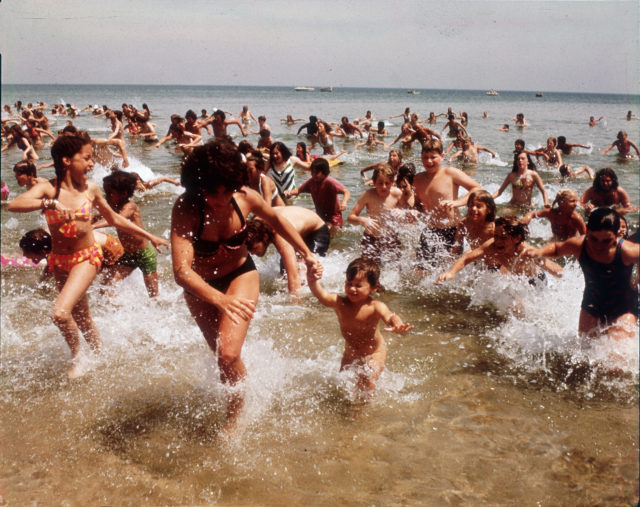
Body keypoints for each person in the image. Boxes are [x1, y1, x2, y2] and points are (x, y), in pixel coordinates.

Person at [170, 139, 321, 435]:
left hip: (240, 274)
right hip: (199, 287)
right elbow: (181, 272)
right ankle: (241, 390)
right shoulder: (187, 207)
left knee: (227, 355)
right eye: (212, 191)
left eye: (227, 189)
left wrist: (307, 253)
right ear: (197, 185)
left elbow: (277, 219)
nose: (220, 197)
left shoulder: (246, 197)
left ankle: (235, 420)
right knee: (222, 357)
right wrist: (219, 300)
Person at [7, 134, 168, 378]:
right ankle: (100, 353)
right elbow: (14, 205)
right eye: (87, 157)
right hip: (60, 261)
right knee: (82, 318)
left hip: (87, 257)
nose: (92, 163)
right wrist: (50, 204)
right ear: (67, 160)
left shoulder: (90, 188)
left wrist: (150, 236)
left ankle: (79, 359)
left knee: (60, 314)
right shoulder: (49, 188)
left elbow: (115, 219)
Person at [521, 208, 638, 341]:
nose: (599, 246)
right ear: (587, 230)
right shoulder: (579, 245)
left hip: (624, 306)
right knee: (585, 349)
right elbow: (557, 248)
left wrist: (638, 278)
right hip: (592, 302)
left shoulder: (627, 251)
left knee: (616, 356)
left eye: (606, 241)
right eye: (593, 239)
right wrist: (539, 252)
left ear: (617, 235)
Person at [306, 257, 413, 392]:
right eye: (349, 283)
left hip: (375, 352)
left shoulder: (375, 306)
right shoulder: (340, 303)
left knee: (367, 384)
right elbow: (321, 295)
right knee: (341, 388)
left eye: (358, 285)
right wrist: (312, 281)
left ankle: (361, 412)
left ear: (374, 288)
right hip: (351, 354)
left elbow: (390, 316)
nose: (352, 289)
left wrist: (397, 324)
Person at [437, 216, 562, 284]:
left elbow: (557, 270)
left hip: (536, 282)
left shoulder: (527, 251)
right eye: (496, 236)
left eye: (504, 237)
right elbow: (466, 258)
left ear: (517, 238)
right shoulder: (492, 246)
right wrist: (451, 273)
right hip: (518, 282)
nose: (498, 241)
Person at [94, 171, 161, 298]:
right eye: (105, 193)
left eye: (110, 193)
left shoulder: (130, 206)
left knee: (153, 296)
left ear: (124, 193)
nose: (107, 197)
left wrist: (94, 226)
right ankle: (112, 310)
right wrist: (89, 219)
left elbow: (117, 219)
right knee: (107, 285)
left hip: (145, 255)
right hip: (128, 255)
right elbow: (102, 215)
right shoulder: (114, 206)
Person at [413, 139, 482, 262]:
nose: (429, 161)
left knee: (448, 270)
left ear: (442, 156)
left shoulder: (450, 173)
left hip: (452, 230)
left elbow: (477, 189)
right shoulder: (417, 179)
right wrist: (415, 211)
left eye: (433, 157)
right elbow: (417, 203)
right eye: (425, 157)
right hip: (430, 230)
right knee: (421, 270)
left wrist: (457, 202)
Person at [246, 206, 330, 295]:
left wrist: (295, 306)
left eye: (255, 248)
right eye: (249, 250)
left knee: (302, 272)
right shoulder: (253, 226)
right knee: (284, 275)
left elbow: (293, 275)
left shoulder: (280, 235)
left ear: (265, 237)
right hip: (296, 227)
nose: (252, 253)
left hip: (315, 231)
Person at [20, 227, 124, 283]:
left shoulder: (63, 250)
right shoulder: (46, 241)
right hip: (97, 244)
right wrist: (42, 282)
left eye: (27, 252)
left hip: (113, 250)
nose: (24, 255)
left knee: (106, 292)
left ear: (43, 251)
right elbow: (50, 267)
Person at [348, 164, 403, 260]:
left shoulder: (397, 194)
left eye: (387, 183)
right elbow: (350, 217)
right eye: (380, 183)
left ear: (393, 182)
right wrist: (362, 220)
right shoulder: (368, 195)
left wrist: (402, 212)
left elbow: (412, 213)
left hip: (391, 239)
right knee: (368, 268)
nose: (384, 187)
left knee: (394, 270)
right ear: (373, 182)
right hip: (371, 238)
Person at [285, 157, 351, 232]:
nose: (313, 175)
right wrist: (289, 192)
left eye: (316, 173)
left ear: (324, 172)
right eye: (312, 172)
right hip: (320, 217)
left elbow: (346, 192)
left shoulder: (330, 182)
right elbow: (298, 190)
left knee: (328, 232)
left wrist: (344, 202)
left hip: (334, 218)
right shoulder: (311, 182)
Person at [452, 190, 496, 255]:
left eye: (479, 206)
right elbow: (456, 249)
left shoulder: (493, 229)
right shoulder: (463, 224)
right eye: (471, 205)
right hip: (475, 259)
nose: (473, 208)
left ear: (488, 210)